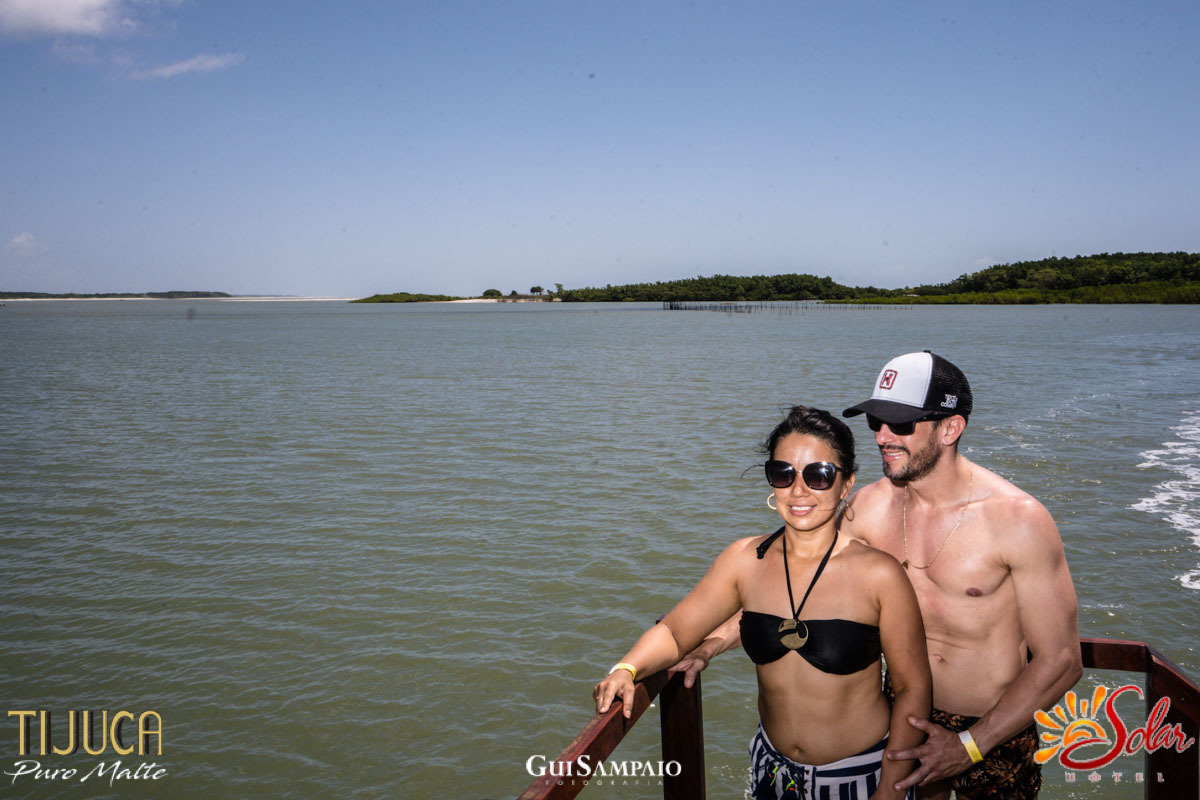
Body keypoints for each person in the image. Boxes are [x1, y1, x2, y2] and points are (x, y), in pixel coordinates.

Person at [672, 352, 1083, 800]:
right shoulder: (866, 507)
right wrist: (711, 644)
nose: (883, 437)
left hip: (992, 730)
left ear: (950, 428)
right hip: (901, 723)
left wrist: (970, 746)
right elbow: (799, 593)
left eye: (901, 424)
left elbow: (1061, 659)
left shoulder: (1017, 520)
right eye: (876, 422)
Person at [593, 406, 931, 800]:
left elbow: (913, 687)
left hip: (859, 777)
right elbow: (674, 631)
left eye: (818, 475)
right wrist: (627, 668)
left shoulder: (881, 575)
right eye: (783, 473)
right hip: (773, 772)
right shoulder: (743, 560)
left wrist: (891, 787)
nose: (798, 490)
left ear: (846, 484)